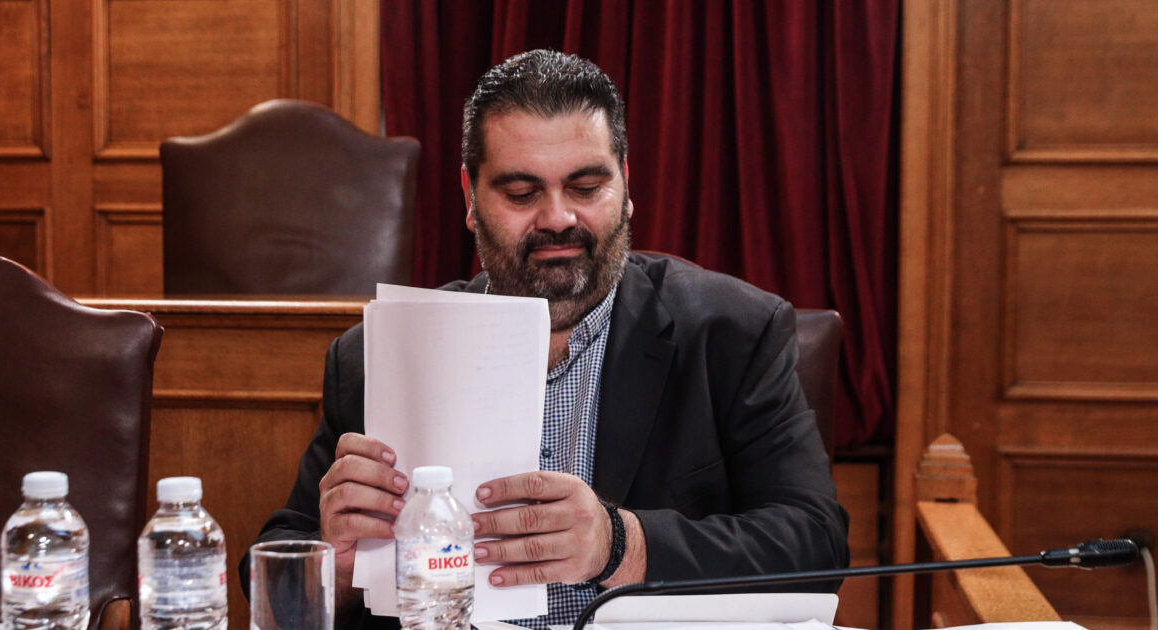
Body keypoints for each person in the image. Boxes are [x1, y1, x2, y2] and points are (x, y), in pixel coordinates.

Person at [243, 49, 849, 629]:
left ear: (626, 186)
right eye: (522, 193)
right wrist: (337, 567)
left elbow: (814, 544)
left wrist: (622, 544)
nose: (558, 217)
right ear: (470, 199)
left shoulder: (734, 333)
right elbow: (271, 572)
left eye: (586, 187)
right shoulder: (377, 354)